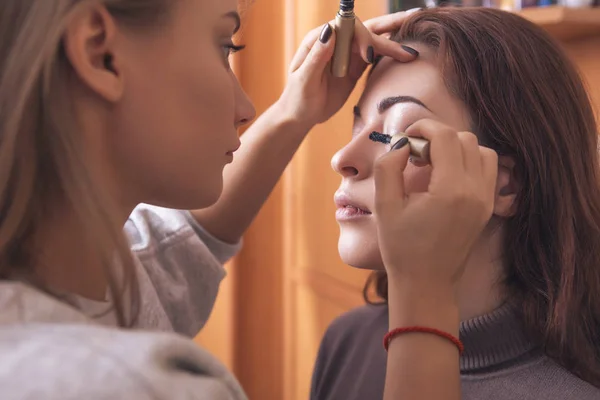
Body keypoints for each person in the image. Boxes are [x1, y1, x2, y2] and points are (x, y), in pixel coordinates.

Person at [0, 0, 492, 399]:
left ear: (504, 182)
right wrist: (424, 299)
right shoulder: (130, 386)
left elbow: (171, 257)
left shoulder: (78, 285)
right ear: (99, 52)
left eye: (399, 134)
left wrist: (293, 115)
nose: (247, 108)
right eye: (222, 45)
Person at [310, 7, 600, 400]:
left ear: (505, 185)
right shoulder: (346, 342)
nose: (342, 158)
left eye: (400, 135)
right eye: (358, 124)